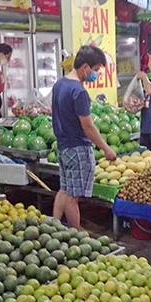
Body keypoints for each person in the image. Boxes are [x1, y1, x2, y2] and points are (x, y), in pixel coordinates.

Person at [51, 45, 117, 229]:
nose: (96, 74)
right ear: (85, 67)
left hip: (63, 147)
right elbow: (87, 126)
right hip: (78, 147)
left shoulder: (59, 85)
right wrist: (106, 149)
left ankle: (54, 226)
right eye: (95, 70)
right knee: (73, 197)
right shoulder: (79, 91)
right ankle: (76, 234)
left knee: (64, 189)